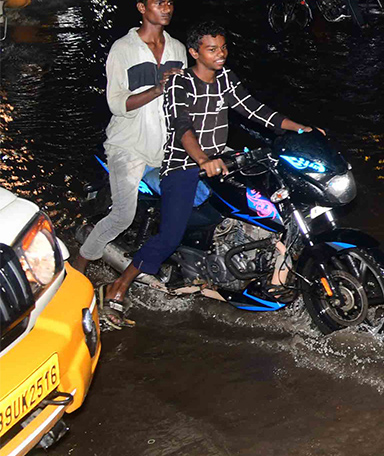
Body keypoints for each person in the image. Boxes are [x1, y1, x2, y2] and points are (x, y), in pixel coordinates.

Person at [98, 21, 314, 328]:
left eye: (223, 47)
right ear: (194, 52)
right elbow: (182, 126)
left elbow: (255, 110)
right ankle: (118, 289)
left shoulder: (225, 78)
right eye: (212, 49)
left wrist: (301, 128)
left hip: (219, 161)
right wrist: (202, 159)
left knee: (269, 200)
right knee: (170, 235)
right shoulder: (179, 83)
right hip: (184, 164)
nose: (221, 54)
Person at [74, 0, 188, 272]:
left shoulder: (177, 48)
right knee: (122, 216)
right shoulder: (123, 48)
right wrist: (157, 88)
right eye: (158, 2)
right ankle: (79, 265)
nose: (166, 8)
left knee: (191, 206)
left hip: (165, 147)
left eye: (169, 3)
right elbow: (115, 104)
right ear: (141, 8)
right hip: (128, 146)